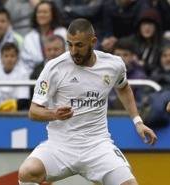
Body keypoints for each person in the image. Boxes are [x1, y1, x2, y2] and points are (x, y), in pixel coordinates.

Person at [18, 18, 157, 185]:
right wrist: (53, 114)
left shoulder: (113, 65)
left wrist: (138, 121)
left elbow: (123, 88)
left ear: (93, 42)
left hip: (97, 146)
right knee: (27, 172)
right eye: (70, 44)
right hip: (60, 146)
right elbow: (33, 112)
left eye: (79, 45)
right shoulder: (54, 67)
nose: (73, 51)